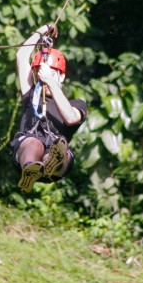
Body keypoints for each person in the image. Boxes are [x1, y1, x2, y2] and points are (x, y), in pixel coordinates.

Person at [10, 23, 87, 193]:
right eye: (40, 72)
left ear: (62, 76)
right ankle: (30, 170)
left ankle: (50, 164)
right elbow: (22, 56)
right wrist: (43, 30)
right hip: (28, 152)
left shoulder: (76, 104)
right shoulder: (31, 92)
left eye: (50, 72)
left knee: (59, 151)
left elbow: (71, 118)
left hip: (57, 155)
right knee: (33, 142)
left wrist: (51, 83)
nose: (43, 77)